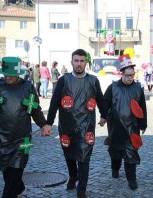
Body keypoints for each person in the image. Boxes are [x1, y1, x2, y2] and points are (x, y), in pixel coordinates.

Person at [0, 57, 50, 198]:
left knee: (16, 171)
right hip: (1, 139)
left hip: (23, 139)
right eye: (6, 74)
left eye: (12, 75)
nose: (8, 77)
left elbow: (35, 109)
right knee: (7, 170)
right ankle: (19, 186)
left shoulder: (28, 87)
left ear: (18, 74)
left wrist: (43, 124)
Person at [44, 49, 107, 198]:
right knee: (69, 155)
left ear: (86, 62)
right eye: (76, 61)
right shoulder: (63, 80)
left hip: (86, 127)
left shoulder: (93, 80)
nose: (79, 64)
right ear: (71, 62)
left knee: (84, 157)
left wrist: (104, 115)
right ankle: (73, 175)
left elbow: (101, 99)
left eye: (82, 61)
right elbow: (54, 103)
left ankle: (81, 189)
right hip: (67, 126)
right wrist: (48, 123)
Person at [103, 54, 147, 190]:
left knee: (131, 154)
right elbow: (105, 103)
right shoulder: (113, 87)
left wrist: (143, 123)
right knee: (115, 151)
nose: (130, 78)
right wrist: (103, 117)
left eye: (132, 75)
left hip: (132, 128)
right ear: (121, 74)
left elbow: (142, 107)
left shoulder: (138, 88)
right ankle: (115, 169)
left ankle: (132, 180)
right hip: (115, 127)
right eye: (127, 75)